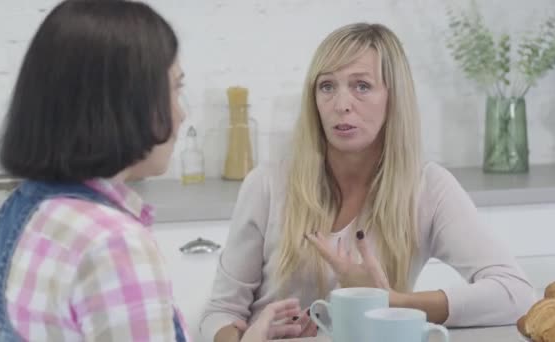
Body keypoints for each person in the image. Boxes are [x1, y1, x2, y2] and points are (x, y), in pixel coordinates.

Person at [0, 1, 301, 341]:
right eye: (175, 88)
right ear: (126, 100)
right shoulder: (114, 244)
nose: (182, 114)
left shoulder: (14, 211)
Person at [201, 22, 536, 341]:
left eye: (362, 86)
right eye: (327, 86)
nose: (341, 105)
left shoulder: (428, 188)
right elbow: (219, 312)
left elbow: (516, 293)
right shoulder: (267, 185)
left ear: (394, 97)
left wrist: (392, 302)